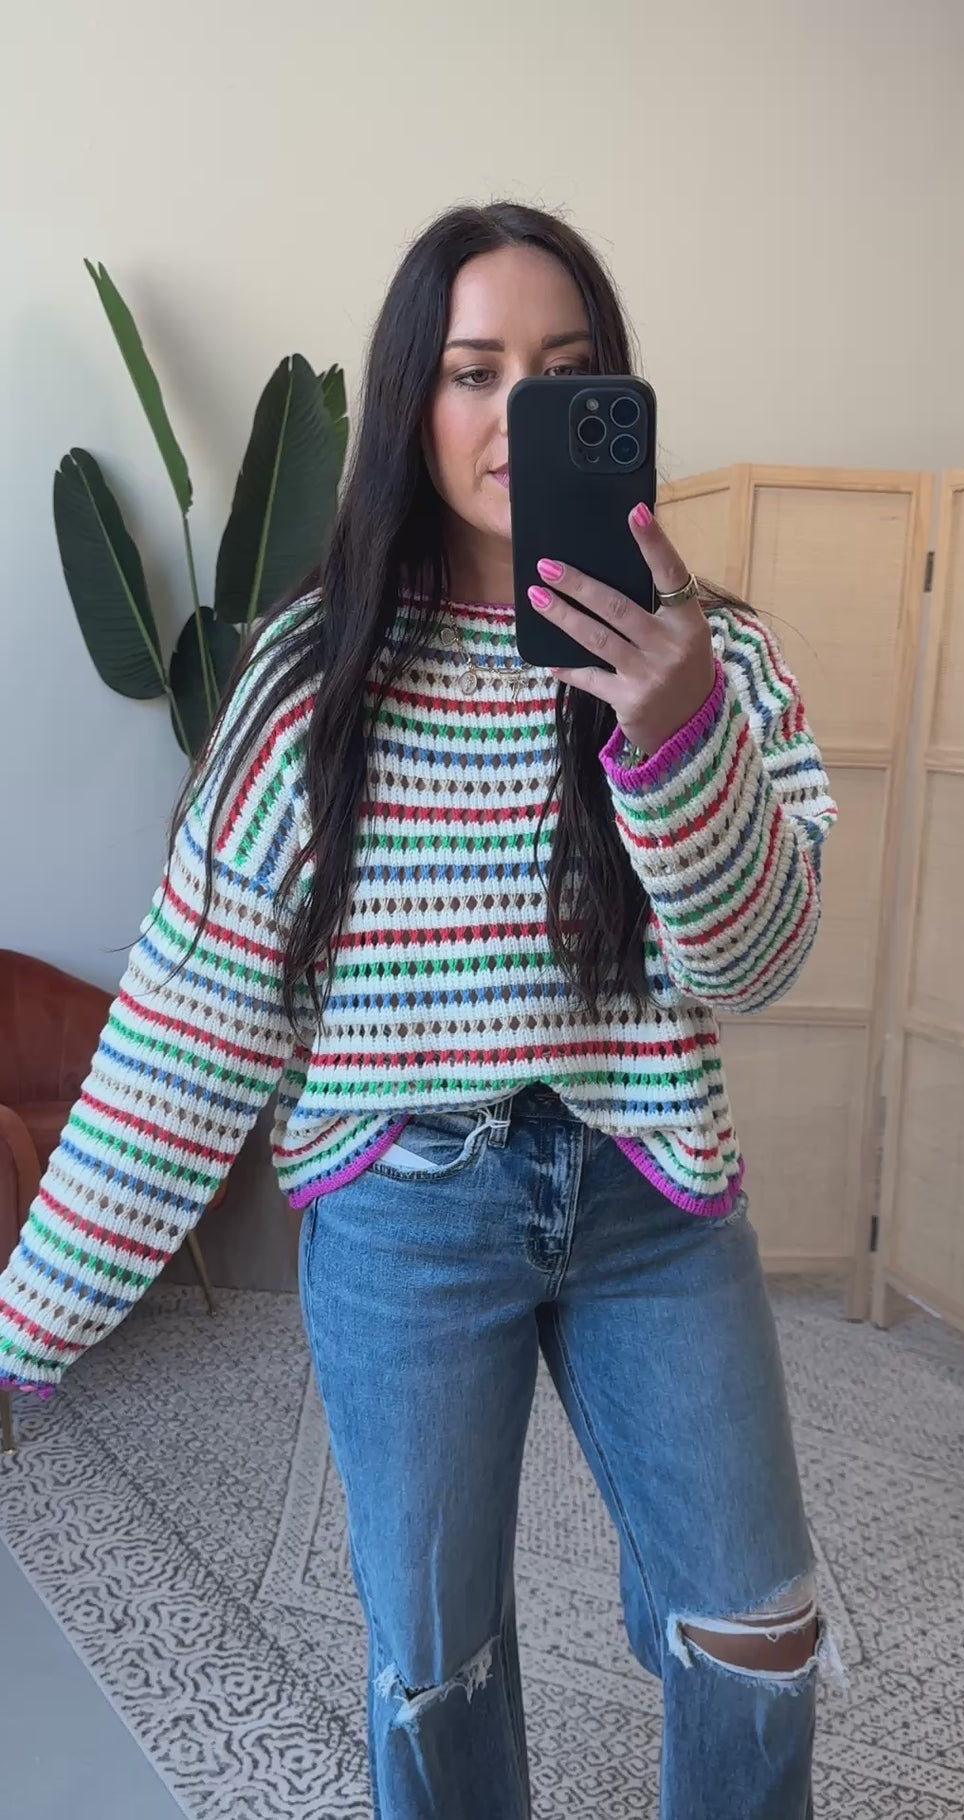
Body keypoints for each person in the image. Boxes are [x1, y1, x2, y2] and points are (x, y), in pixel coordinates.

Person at [0, 202, 841, 1818]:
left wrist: (674, 734)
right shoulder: (307, 680)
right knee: (435, 1670)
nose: (518, 411)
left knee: (762, 1633)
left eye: (563, 372)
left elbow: (755, 966)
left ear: (614, 401)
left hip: (654, 1198)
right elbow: (183, 1037)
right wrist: (20, 1332)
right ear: (413, 399)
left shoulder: (714, 657)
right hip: (405, 1212)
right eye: (475, 371)